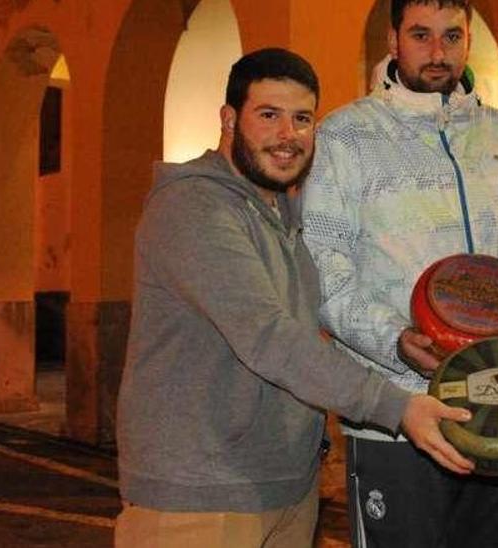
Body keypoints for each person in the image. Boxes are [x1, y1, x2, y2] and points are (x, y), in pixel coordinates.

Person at [115, 48, 472, 548]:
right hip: (197, 498)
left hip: (286, 489)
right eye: (268, 115)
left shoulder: (286, 210)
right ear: (228, 118)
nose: (288, 135)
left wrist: (399, 341)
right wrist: (396, 406)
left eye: (302, 119)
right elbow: (268, 337)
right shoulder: (192, 206)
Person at [300, 1, 498, 546]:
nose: (438, 51)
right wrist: (396, 341)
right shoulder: (346, 136)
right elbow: (324, 267)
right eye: (421, 35)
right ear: (394, 40)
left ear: (468, 40)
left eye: (453, 35)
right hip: (398, 414)